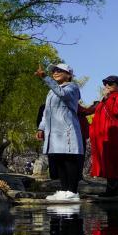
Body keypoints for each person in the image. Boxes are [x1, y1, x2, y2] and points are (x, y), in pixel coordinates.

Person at [35, 63, 84, 198]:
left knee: (69, 159)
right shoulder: (51, 91)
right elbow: (46, 112)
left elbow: (62, 94)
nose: (55, 72)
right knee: (59, 159)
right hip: (54, 132)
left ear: (68, 75)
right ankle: (63, 190)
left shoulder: (72, 87)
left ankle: (72, 191)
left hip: (66, 130)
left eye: (59, 70)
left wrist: (45, 77)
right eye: (53, 71)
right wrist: (41, 128)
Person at [80, 75, 118, 197]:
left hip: (112, 135)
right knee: (105, 162)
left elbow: (116, 111)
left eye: (111, 83)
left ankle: (114, 189)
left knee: (113, 161)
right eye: (105, 83)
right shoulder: (103, 101)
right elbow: (86, 111)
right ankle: (114, 188)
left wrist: (107, 99)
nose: (107, 85)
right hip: (100, 137)